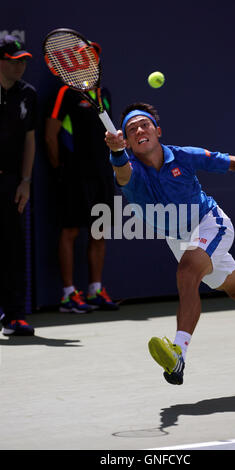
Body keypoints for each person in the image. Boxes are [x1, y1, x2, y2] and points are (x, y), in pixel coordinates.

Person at [105, 102, 235, 385]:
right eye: (132, 130)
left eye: (145, 125)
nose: (139, 130)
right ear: (128, 142)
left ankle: (178, 354)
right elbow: (122, 173)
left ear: (158, 131)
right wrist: (116, 152)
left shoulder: (183, 156)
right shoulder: (129, 167)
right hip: (177, 238)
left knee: (187, 271)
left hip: (209, 223)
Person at [45, 41, 118, 313]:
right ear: (73, 63)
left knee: (99, 231)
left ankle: (95, 290)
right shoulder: (65, 92)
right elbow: (50, 135)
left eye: (93, 57)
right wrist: (60, 170)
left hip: (102, 173)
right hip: (74, 175)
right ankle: (67, 294)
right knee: (71, 230)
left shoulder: (103, 93)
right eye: (83, 57)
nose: (89, 61)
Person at [0, 35, 37, 336]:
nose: (22, 66)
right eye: (15, 61)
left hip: (12, 183)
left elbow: (30, 139)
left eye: (24, 60)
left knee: (13, 250)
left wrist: (25, 180)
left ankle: (14, 317)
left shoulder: (28, 94)